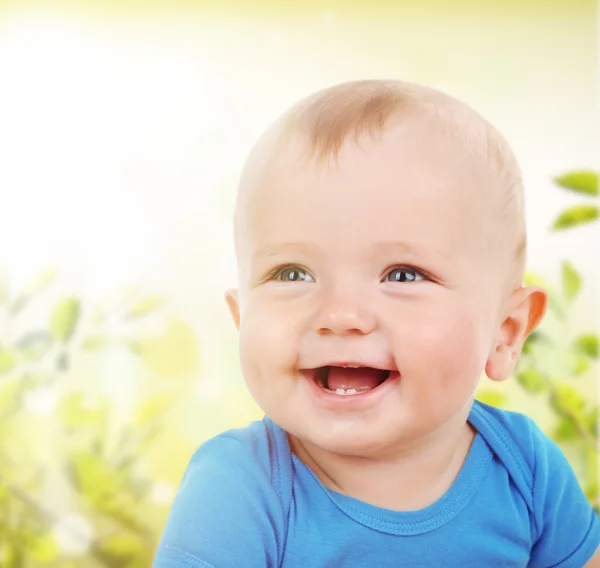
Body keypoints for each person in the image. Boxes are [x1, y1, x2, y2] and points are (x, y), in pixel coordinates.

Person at [153, 80, 600, 567]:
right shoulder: (239, 487)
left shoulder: (525, 468)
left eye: (403, 275)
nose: (340, 315)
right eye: (292, 273)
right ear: (243, 320)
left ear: (506, 332)